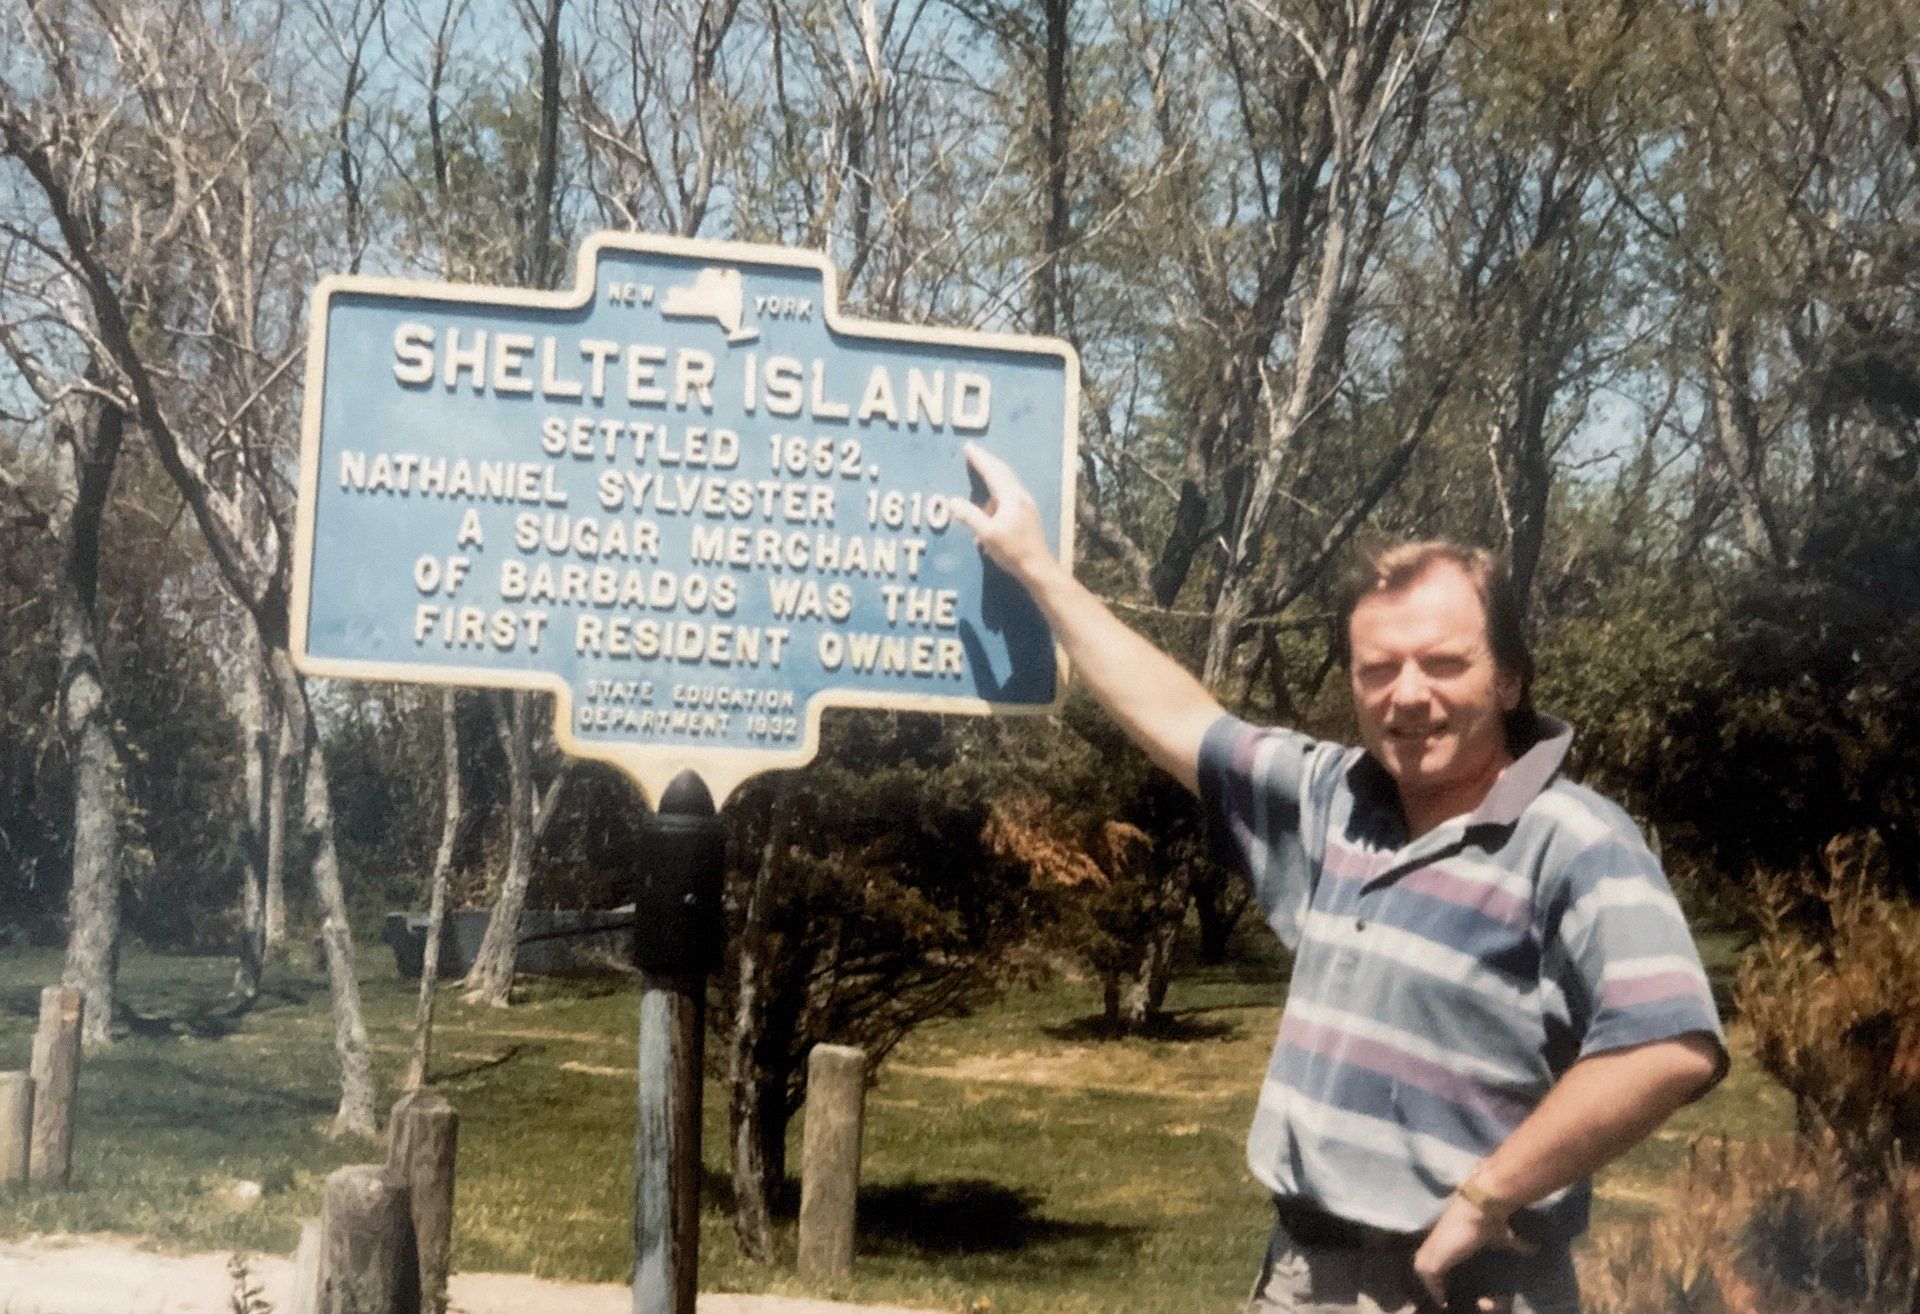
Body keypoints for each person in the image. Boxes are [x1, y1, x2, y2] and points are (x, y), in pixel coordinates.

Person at [949, 442, 1727, 1314]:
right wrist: (1036, 570)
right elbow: (1178, 716)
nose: (1407, 695)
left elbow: (1668, 1045)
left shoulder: (1575, 840)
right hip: (1301, 1274)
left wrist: (1487, 1196)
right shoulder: (1334, 798)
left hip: (1462, 1288)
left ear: (1507, 678)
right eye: (1378, 669)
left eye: (1443, 663)